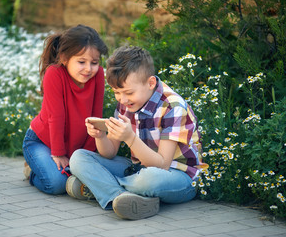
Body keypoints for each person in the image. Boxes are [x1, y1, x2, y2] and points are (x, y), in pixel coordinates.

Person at [66, 46, 208, 219]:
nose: (123, 99)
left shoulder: (173, 106)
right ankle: (121, 198)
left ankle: (99, 187)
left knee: (149, 179)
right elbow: (109, 153)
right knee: (79, 157)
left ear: (150, 83)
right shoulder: (127, 103)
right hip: (137, 169)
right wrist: (100, 136)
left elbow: (162, 165)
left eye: (128, 93)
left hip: (178, 176)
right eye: (117, 92)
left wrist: (130, 139)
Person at [22, 24, 108, 195]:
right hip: (43, 142)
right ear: (64, 58)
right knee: (56, 184)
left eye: (94, 62)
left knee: (84, 173)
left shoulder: (97, 75)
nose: (88, 69)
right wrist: (59, 153)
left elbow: (96, 117)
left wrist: (86, 156)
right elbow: (56, 117)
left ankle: (52, 167)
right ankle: (31, 171)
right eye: (81, 62)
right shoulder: (54, 74)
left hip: (74, 145)